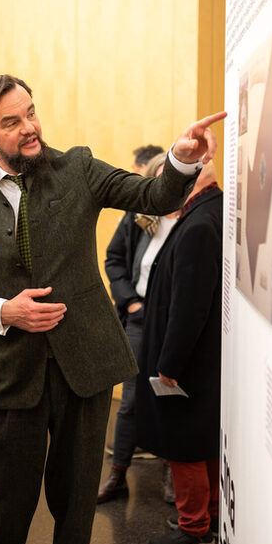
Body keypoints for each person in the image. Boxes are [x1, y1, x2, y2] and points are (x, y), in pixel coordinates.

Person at [0, 73, 225, 544]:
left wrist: (183, 160)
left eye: (31, 113)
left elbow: (153, 194)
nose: (29, 128)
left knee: (75, 515)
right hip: (11, 376)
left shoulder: (78, 169)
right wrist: (4, 310)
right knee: (3, 512)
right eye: (12, 122)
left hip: (85, 368)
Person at [135, 163, 223, 544]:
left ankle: (194, 526)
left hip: (186, 360)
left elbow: (189, 307)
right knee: (200, 438)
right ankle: (209, 514)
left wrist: (169, 365)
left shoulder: (199, 225)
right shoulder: (206, 213)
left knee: (185, 440)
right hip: (200, 356)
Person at [98, 151, 176, 504]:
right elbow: (114, 259)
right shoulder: (139, 216)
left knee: (171, 400)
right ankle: (117, 476)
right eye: (160, 180)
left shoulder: (193, 219)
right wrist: (130, 301)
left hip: (175, 323)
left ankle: (171, 473)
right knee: (129, 401)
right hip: (139, 319)